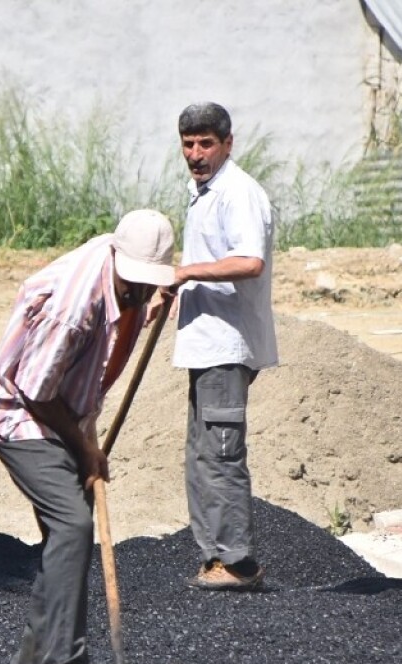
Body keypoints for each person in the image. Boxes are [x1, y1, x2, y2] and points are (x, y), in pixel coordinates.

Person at [0, 209, 176, 664]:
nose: (140, 289)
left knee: (64, 543)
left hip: (64, 408)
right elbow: (36, 390)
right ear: (118, 259)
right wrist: (87, 449)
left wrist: (151, 300)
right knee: (72, 524)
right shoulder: (74, 307)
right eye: (136, 282)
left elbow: (119, 322)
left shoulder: (120, 274)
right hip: (20, 414)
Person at [168, 102, 278, 591]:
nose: (196, 154)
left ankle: (238, 562)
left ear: (227, 144)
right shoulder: (202, 194)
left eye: (205, 144)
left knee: (221, 453)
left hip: (227, 346)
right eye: (188, 144)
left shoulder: (238, 193)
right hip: (204, 345)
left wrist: (188, 272)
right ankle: (215, 556)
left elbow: (249, 261)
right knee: (201, 455)